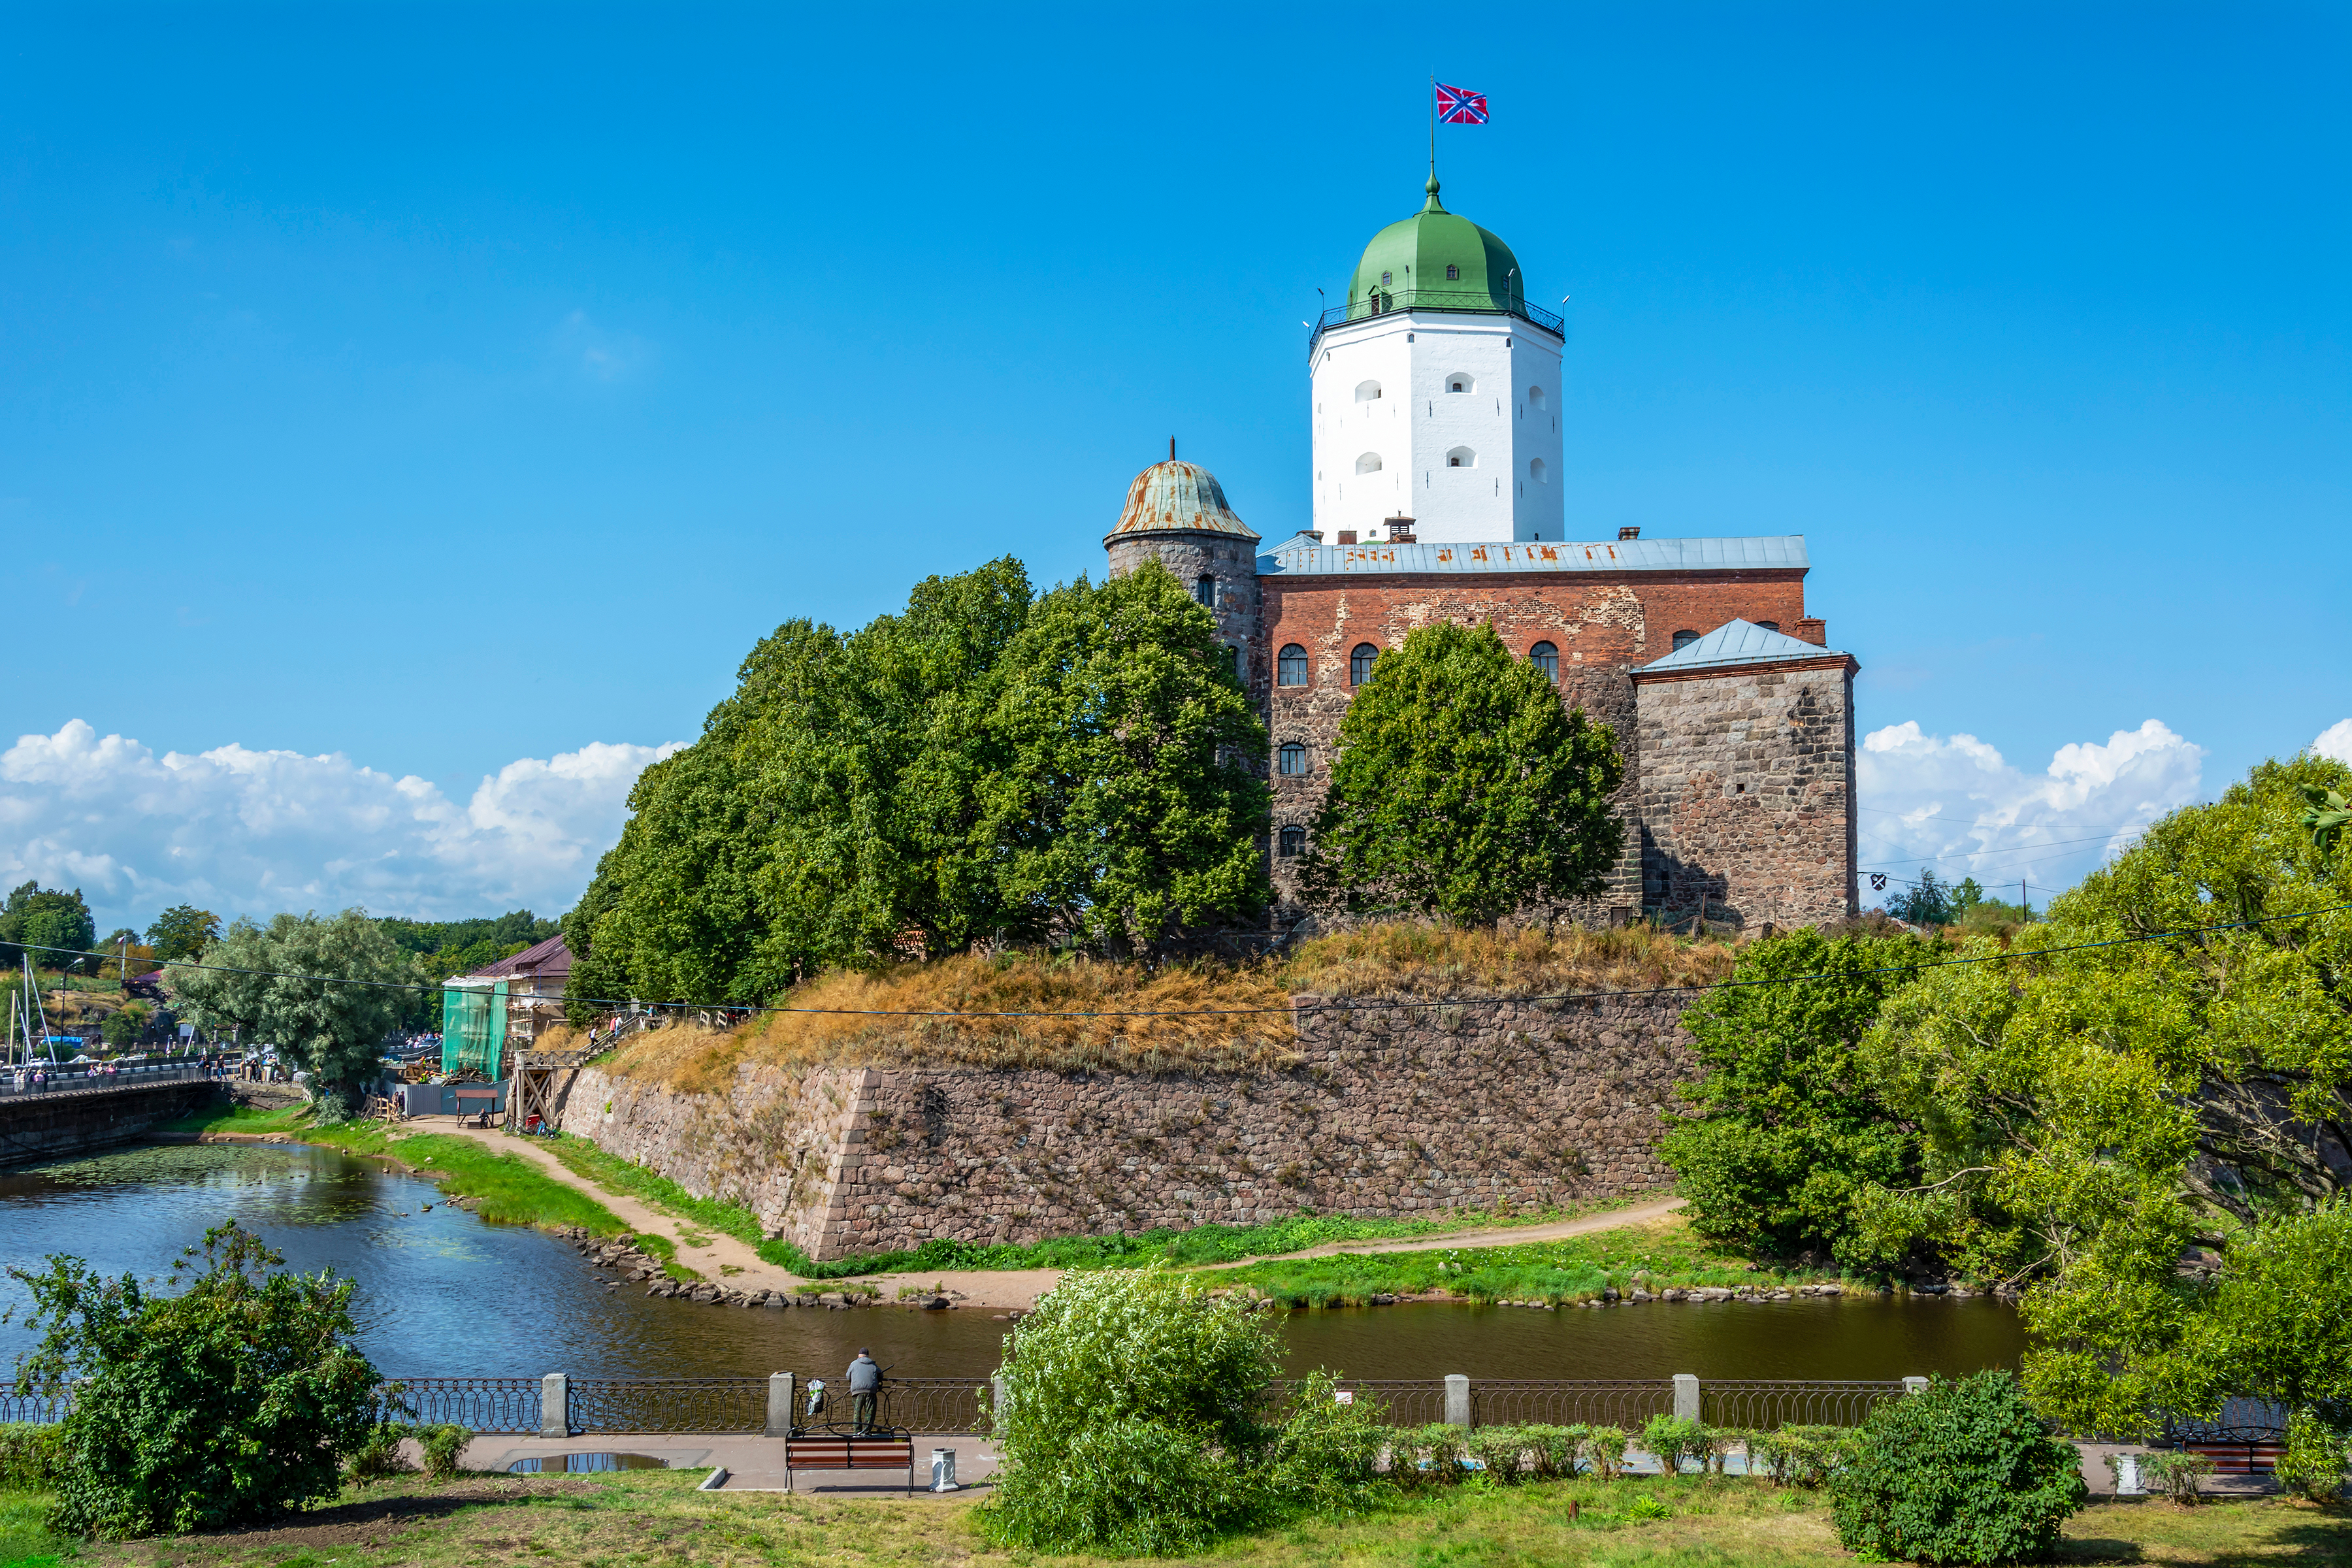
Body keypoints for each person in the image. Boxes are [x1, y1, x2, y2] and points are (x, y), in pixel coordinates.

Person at [847, 1348, 881, 1433]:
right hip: (870, 1391)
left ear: (859, 1355)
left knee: (857, 1412)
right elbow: (881, 1375)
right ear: (868, 1356)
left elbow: (848, 1377)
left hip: (857, 1391)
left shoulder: (853, 1364)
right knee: (870, 1412)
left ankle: (857, 1431)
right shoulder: (873, 1365)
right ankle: (866, 1431)